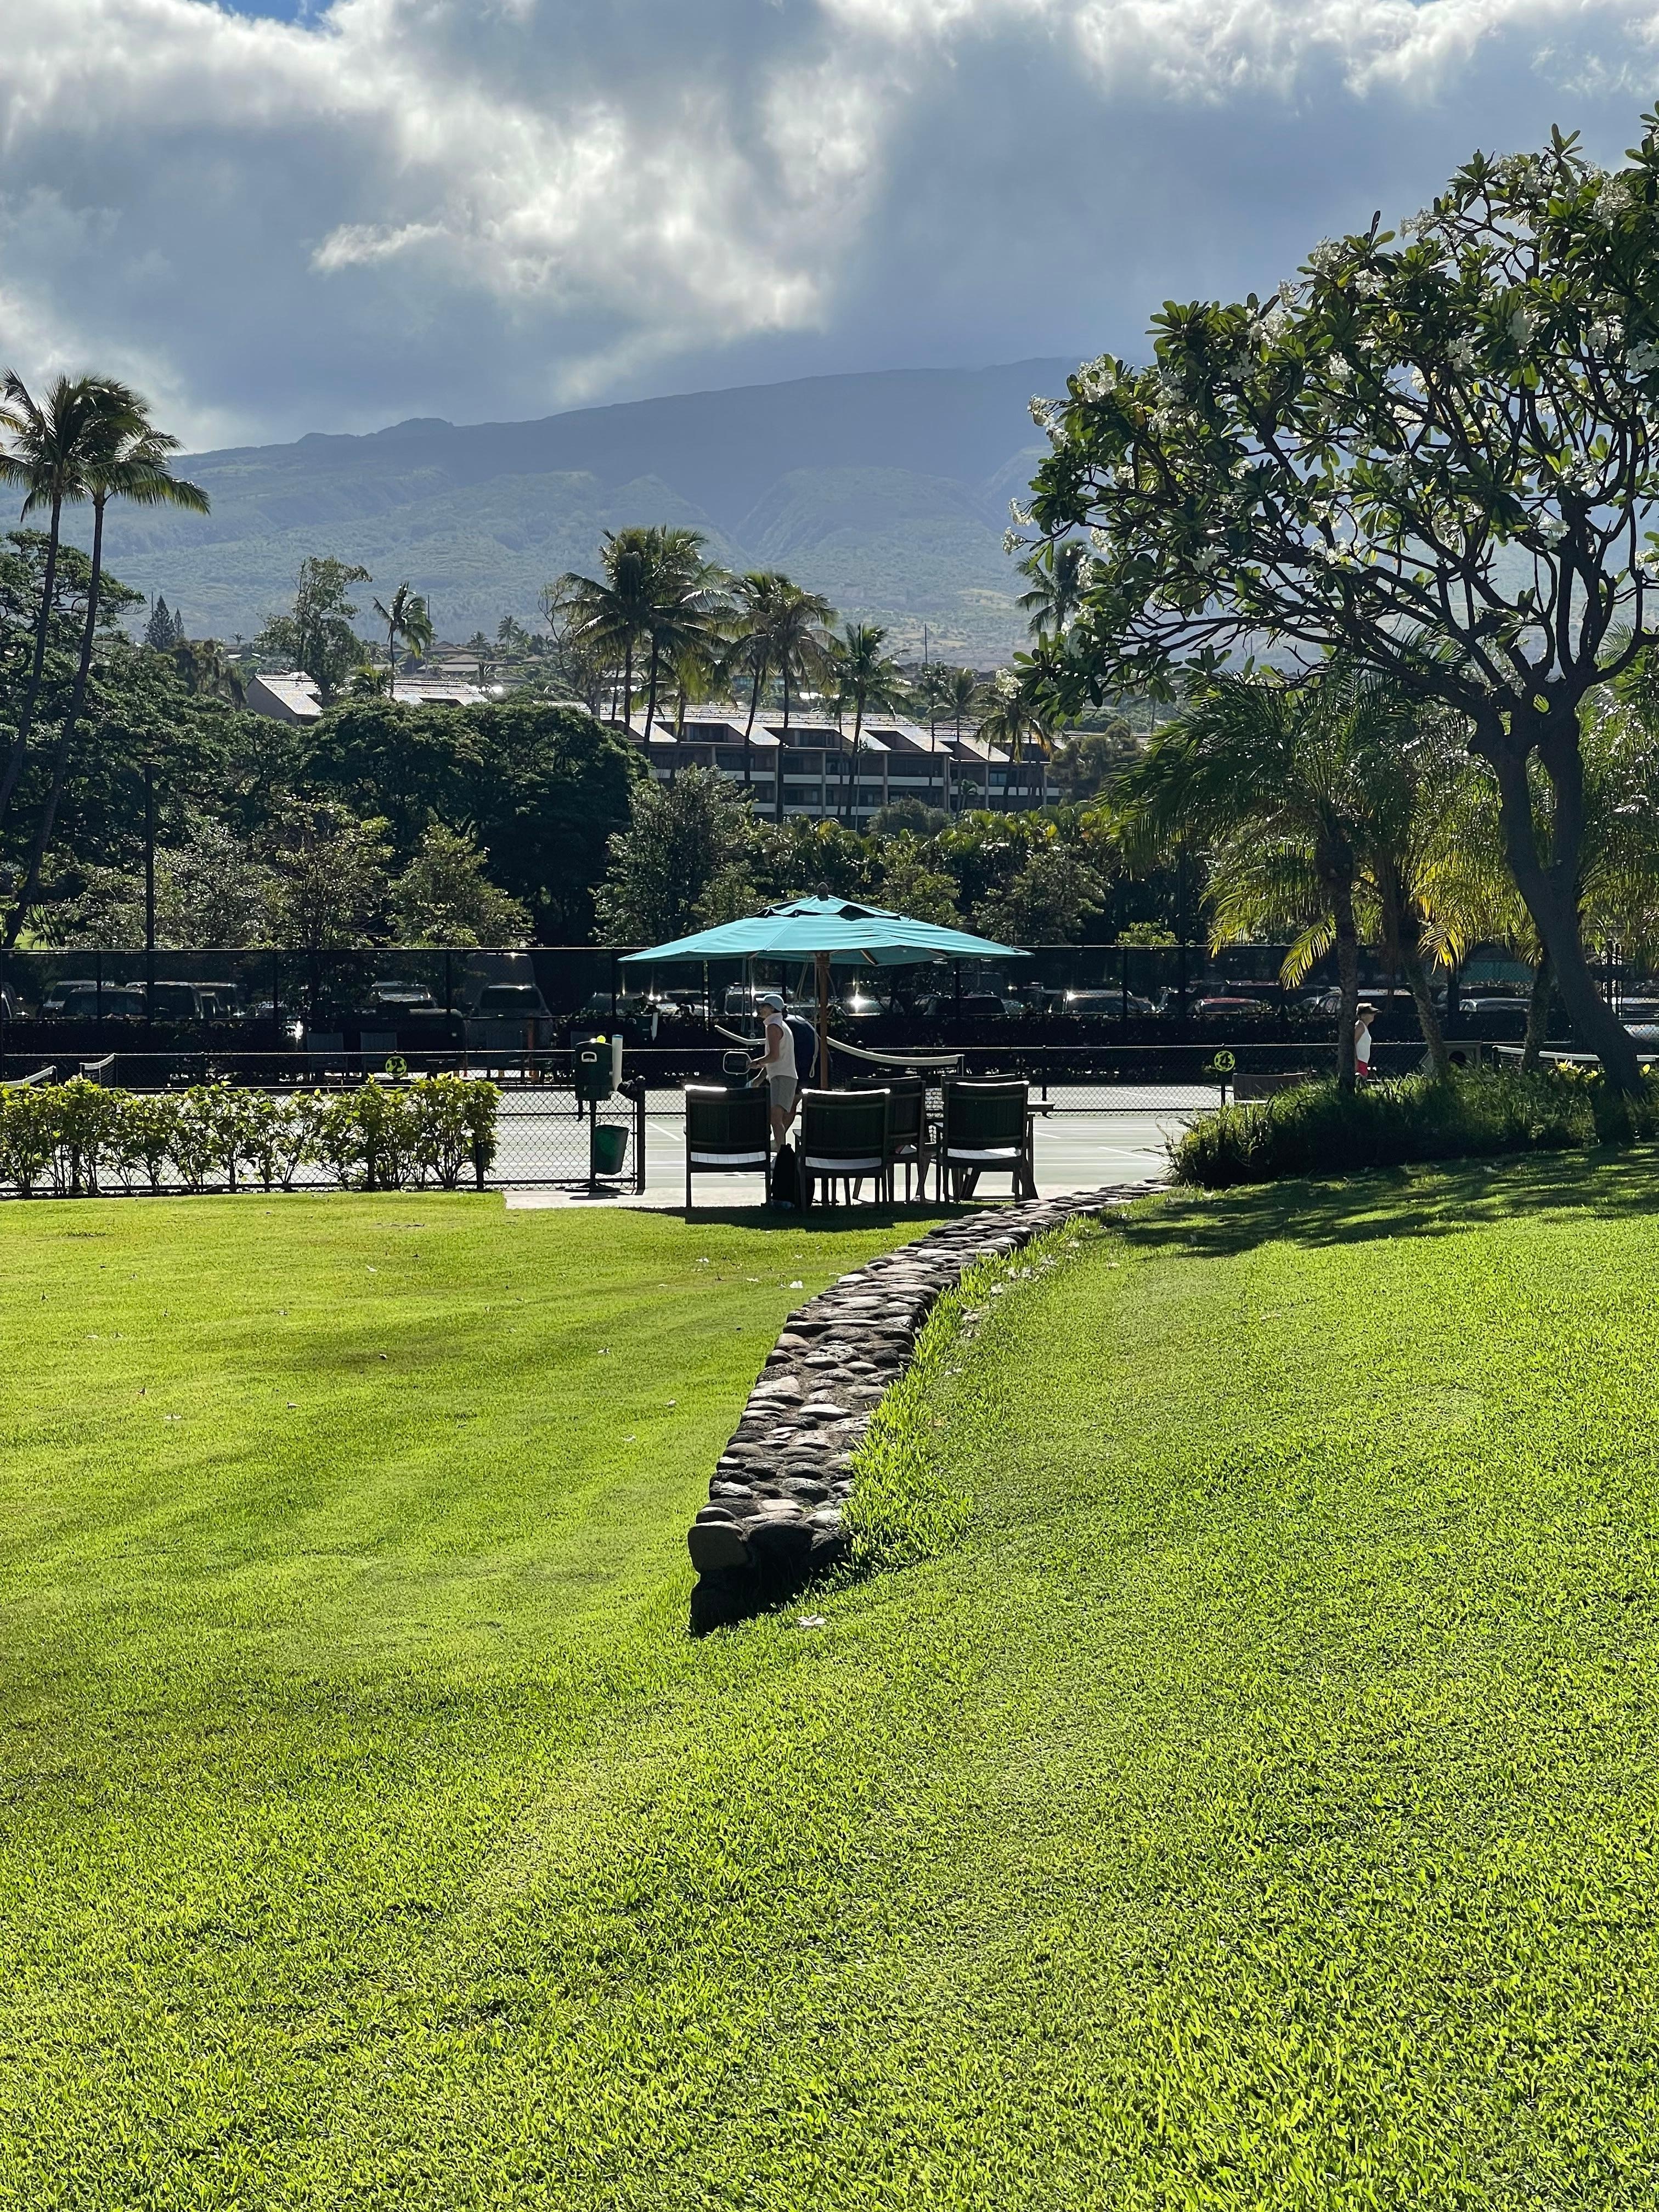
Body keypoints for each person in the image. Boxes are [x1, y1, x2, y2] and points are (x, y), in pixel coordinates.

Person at [751, 990, 798, 1142]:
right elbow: (776, 1058)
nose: (760, 1008)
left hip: (782, 1078)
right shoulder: (779, 1025)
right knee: (776, 1120)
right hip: (783, 1077)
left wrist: (756, 1063)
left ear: (773, 1009)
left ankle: (781, 1156)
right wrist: (760, 1077)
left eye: (764, 1005)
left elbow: (774, 1056)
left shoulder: (773, 1026)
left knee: (776, 1120)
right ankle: (781, 1153)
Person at [1355, 1002, 1376, 1080]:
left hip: (1363, 1063)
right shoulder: (1360, 1026)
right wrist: (1355, 1061)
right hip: (1359, 1063)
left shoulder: (1364, 1027)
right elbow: (1353, 1043)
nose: (1373, 1015)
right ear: (1363, 1015)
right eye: (1370, 1013)